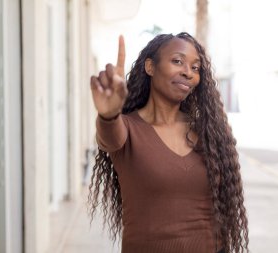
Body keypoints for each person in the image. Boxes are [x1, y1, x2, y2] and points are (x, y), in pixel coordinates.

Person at [88, 32, 249, 253]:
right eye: (177, 61)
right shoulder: (127, 129)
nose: (188, 72)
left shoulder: (209, 133)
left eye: (195, 68)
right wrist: (108, 114)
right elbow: (108, 137)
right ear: (150, 67)